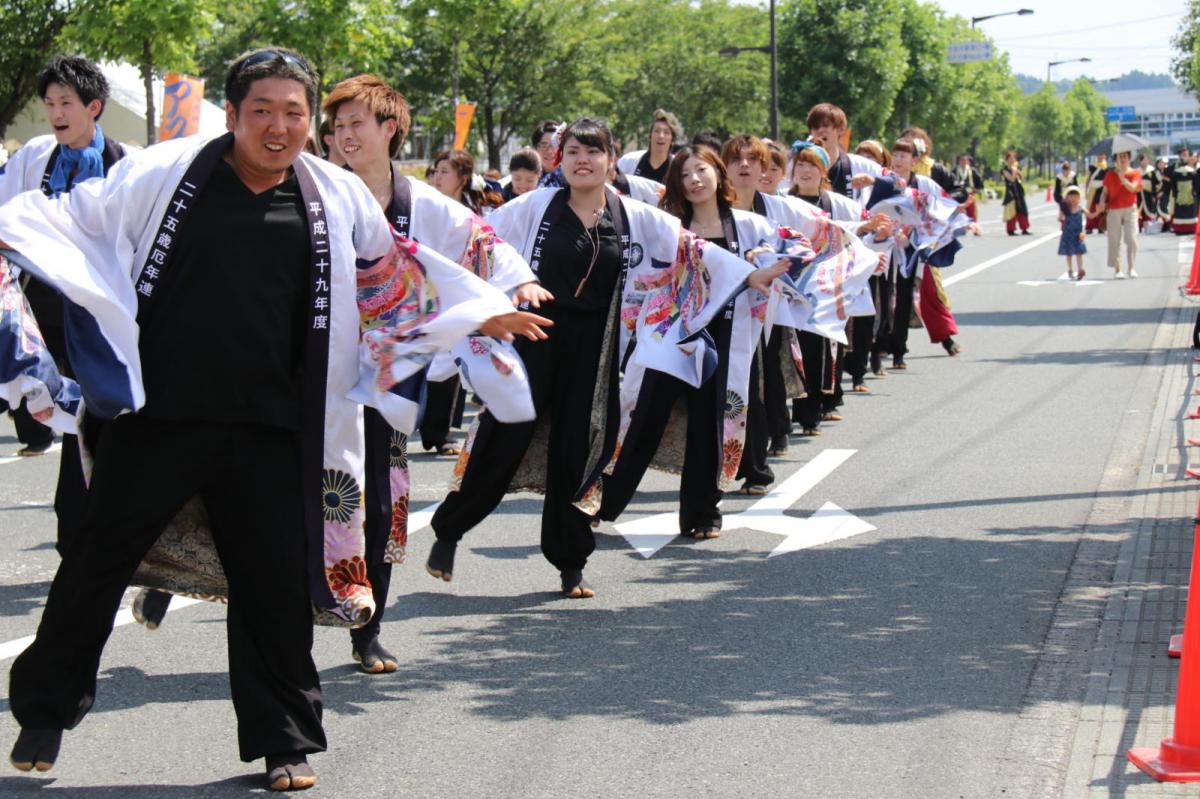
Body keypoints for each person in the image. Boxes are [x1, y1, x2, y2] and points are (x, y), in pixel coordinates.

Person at [0, 47, 548, 791]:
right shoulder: (165, 173)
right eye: (263, 110)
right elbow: (76, 226)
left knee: (273, 583)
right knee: (95, 556)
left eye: (295, 112)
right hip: (161, 416)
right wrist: (16, 234)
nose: (280, 126)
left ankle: (283, 736)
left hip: (272, 426)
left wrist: (479, 311)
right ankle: (45, 705)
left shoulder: (334, 194)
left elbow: (394, 273)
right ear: (232, 115)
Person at [427, 117, 785, 596]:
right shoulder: (536, 206)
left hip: (595, 355)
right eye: (573, 151)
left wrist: (748, 276)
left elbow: (690, 249)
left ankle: (570, 562)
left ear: (611, 161)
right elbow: (480, 239)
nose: (582, 160)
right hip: (534, 344)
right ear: (560, 160)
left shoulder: (631, 214)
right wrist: (512, 282)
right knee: (501, 441)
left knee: (581, 449)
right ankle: (450, 529)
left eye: (593, 152)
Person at [602, 146, 777, 540]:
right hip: (672, 336)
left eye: (701, 170)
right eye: (684, 175)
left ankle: (703, 512)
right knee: (643, 419)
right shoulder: (667, 228)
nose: (694, 179)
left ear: (717, 173)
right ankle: (602, 503)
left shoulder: (750, 226)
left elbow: (783, 253)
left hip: (726, 336)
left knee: (710, 424)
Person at [0, 55, 127, 558]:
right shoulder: (34, 155)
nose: (55, 112)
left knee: (92, 428)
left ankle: (84, 541)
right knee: (64, 414)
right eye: (49, 103)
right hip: (42, 311)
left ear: (93, 107)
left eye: (66, 103)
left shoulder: (126, 163)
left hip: (100, 320)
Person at [787, 141, 893, 405]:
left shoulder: (837, 202)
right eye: (800, 164)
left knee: (826, 342)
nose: (805, 170)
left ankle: (822, 404)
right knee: (796, 346)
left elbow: (854, 229)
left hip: (827, 283)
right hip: (791, 283)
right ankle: (801, 408)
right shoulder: (783, 201)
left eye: (812, 164)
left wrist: (872, 247)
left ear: (823, 171)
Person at [1100, 148, 1142, 279]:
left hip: (1131, 208)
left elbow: (1133, 188)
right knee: (1114, 240)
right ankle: (1118, 269)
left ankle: (1131, 268)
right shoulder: (1109, 175)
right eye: (1119, 157)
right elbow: (1104, 192)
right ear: (1115, 160)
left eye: (1125, 156)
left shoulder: (1135, 173)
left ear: (1129, 158)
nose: (1122, 159)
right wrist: (1101, 201)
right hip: (1114, 209)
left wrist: (1123, 179)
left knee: (1132, 239)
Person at [616, 108, 682, 182]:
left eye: (666, 132)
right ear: (650, 136)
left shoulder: (679, 168)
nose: (661, 136)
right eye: (657, 131)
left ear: (673, 140)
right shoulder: (628, 161)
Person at [1165, 147, 1198, 235]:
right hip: (1182, 195)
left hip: (1187, 195)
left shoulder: (1194, 169)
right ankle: (1181, 229)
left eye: (1185, 155)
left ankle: (1189, 229)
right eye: (1182, 155)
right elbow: (1168, 178)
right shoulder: (1175, 168)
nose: (1184, 157)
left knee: (1188, 212)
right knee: (1181, 212)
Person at [1058, 186, 1087, 280]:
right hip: (1068, 233)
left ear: (1079, 197)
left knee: (1079, 251)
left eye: (1075, 196)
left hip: (1079, 234)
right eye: (1071, 196)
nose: (1073, 198)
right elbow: (1059, 217)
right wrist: (1062, 219)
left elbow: (1090, 215)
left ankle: (1080, 269)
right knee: (1069, 252)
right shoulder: (1065, 209)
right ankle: (1070, 269)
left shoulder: (1080, 208)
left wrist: (1098, 211)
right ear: (1067, 197)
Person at [1001, 150, 1030, 236]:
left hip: (1019, 190)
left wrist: (1018, 171)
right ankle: (1011, 229)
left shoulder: (1017, 167)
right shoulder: (1004, 169)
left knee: (1022, 209)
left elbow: (1022, 178)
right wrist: (1014, 171)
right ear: (1007, 159)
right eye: (1010, 158)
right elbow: (1011, 179)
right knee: (1011, 211)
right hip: (1011, 192)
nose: (1012, 160)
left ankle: (1024, 228)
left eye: (1013, 158)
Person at [953, 154, 984, 228]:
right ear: (959, 162)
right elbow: (950, 180)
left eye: (965, 160)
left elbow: (979, 179)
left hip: (969, 192)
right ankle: (959, 226)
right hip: (958, 193)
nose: (963, 162)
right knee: (958, 210)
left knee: (972, 210)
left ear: (967, 161)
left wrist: (977, 188)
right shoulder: (955, 170)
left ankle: (974, 226)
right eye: (961, 160)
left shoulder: (972, 170)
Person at [1085, 154, 1108, 234]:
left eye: (1102, 155)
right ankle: (1089, 227)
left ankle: (1100, 226)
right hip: (1092, 189)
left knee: (1101, 208)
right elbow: (1088, 179)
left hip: (1102, 188)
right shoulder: (1092, 166)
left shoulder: (1106, 166)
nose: (1100, 156)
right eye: (1099, 155)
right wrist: (1086, 190)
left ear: (1104, 156)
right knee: (1091, 208)